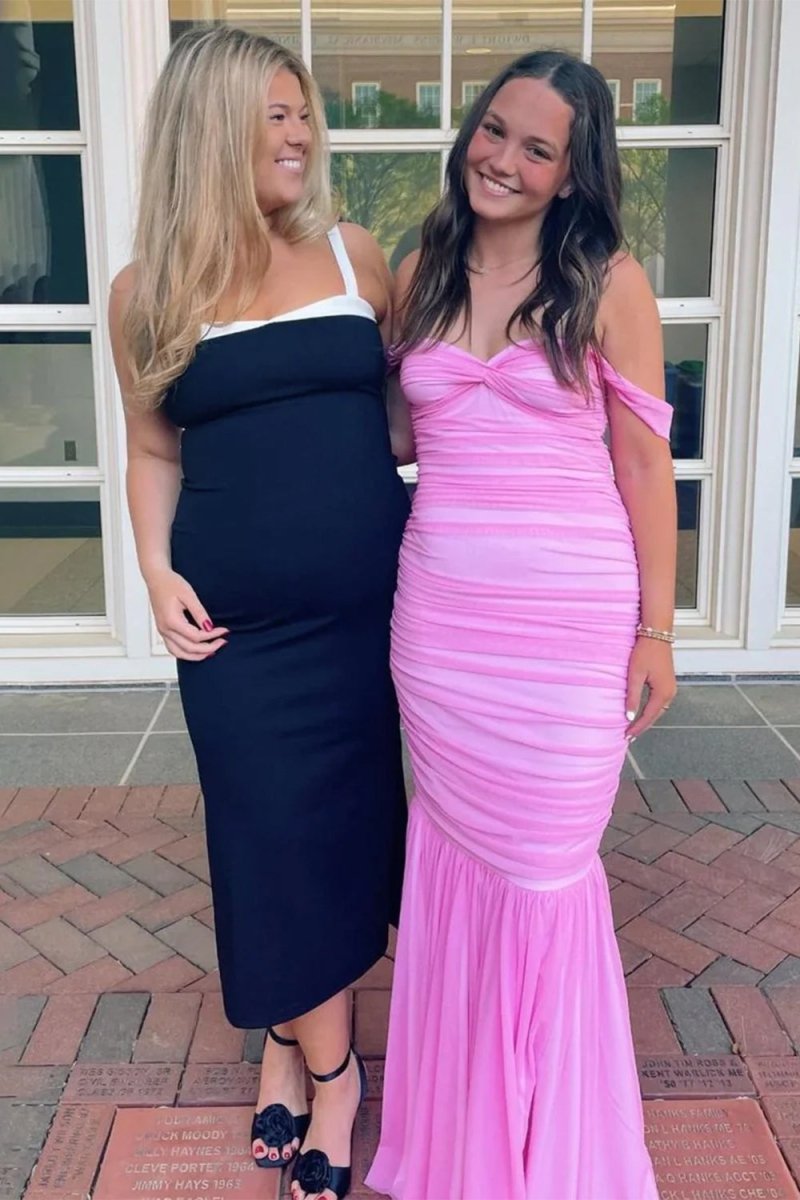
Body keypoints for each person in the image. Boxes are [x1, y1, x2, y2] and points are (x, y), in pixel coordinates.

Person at [367, 50, 677, 1200]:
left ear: (571, 171)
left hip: (565, 633)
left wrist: (656, 632)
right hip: (440, 630)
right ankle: (462, 1143)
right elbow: (394, 434)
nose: (500, 159)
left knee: (544, 873)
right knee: (452, 864)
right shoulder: (419, 270)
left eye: (535, 148)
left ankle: (549, 1157)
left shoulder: (607, 282)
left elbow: (642, 466)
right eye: (492, 130)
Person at [107, 27, 409, 1200]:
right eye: (271, 114)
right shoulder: (147, 291)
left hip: (365, 620)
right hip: (236, 634)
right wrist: (152, 569)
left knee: (341, 831)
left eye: (301, 112)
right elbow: (150, 447)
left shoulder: (352, 254)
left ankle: (287, 1035)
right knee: (267, 836)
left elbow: (408, 415)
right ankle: (335, 1073)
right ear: (209, 128)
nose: (298, 134)